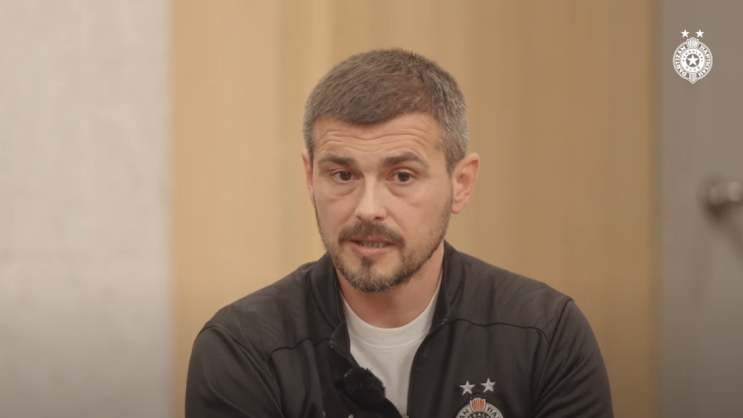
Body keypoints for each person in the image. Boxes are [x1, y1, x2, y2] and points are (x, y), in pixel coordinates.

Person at [185, 48, 613, 418]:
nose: (368, 208)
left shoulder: (544, 335)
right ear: (310, 179)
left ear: (461, 184)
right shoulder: (244, 349)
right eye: (343, 174)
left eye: (402, 176)